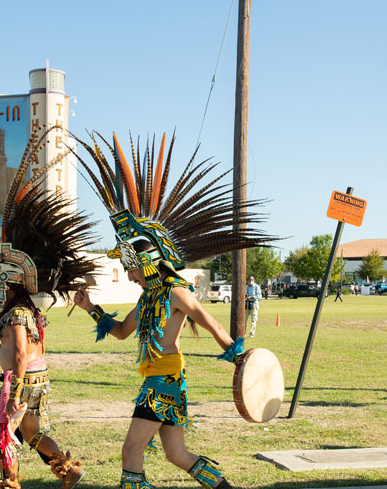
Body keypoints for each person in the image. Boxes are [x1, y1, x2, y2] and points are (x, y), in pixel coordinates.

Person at [74, 130, 276, 489]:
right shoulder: (147, 296)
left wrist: (236, 355)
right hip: (161, 381)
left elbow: (209, 320)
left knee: (130, 453)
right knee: (177, 455)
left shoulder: (175, 291)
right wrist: (92, 308)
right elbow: (122, 332)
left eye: (132, 268)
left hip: (163, 383)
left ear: (149, 261)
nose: (130, 276)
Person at [0, 134, 98, 489]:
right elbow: (23, 350)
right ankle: (69, 470)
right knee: (31, 432)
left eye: (2, 277)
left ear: (13, 279)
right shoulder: (28, 309)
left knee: (4, 432)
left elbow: (21, 354)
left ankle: (10, 484)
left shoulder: (16, 315)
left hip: (22, 381)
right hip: (38, 378)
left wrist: (12, 394)